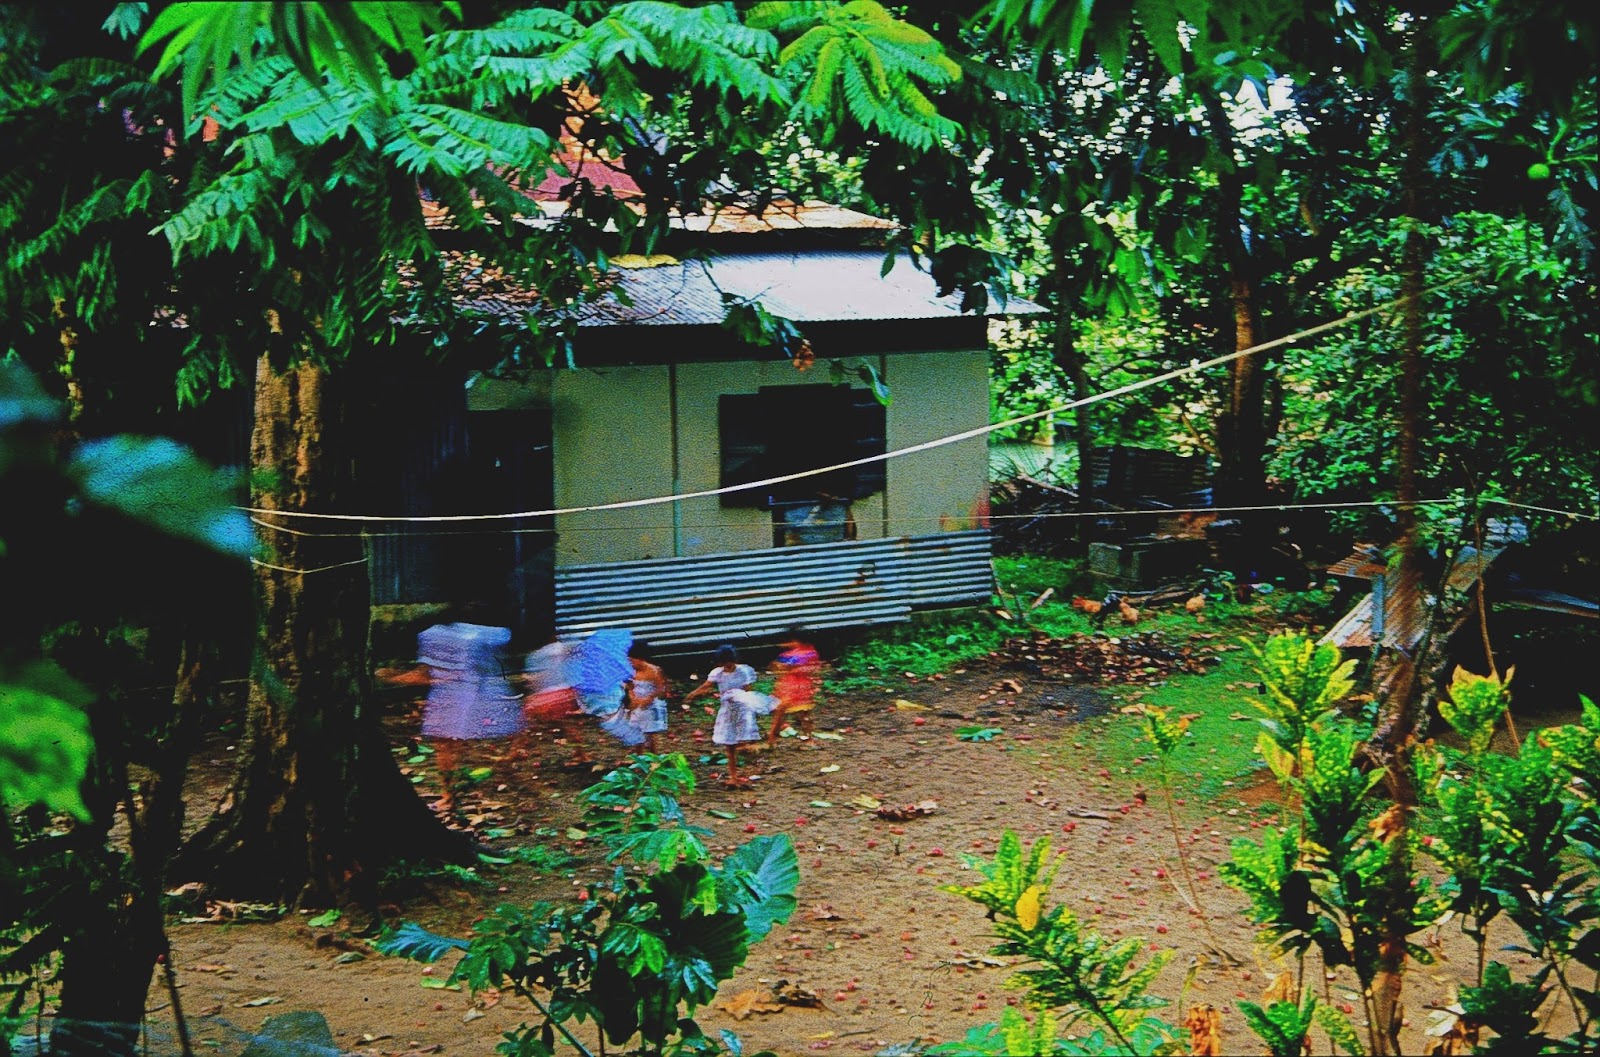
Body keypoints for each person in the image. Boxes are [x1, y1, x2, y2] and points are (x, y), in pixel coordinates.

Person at [416, 621, 522, 810]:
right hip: (470, 692)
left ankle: (448, 797)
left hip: (447, 697)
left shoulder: (430, 636)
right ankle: (452, 793)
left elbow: (424, 676)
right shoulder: (474, 633)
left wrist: (388, 676)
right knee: (452, 746)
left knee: (444, 747)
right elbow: (503, 637)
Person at [685, 644, 775, 788]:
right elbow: (706, 686)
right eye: (724, 662)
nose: (727, 665)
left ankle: (747, 765)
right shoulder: (717, 673)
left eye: (730, 662)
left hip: (742, 709)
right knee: (729, 744)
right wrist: (693, 694)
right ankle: (733, 776)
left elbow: (748, 691)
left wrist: (749, 705)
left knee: (744, 739)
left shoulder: (743, 671)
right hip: (727, 710)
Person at [767, 627, 822, 747]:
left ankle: (772, 738)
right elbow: (815, 668)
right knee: (803, 714)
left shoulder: (790, 655)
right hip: (803, 686)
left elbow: (777, 667)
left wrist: (781, 667)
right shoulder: (811, 652)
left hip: (790, 687)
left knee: (781, 713)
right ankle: (809, 737)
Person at [625, 642, 671, 753]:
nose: (631, 663)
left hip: (651, 705)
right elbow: (630, 686)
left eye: (633, 661)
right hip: (637, 704)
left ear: (641, 659)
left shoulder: (654, 671)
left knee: (650, 733)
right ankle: (639, 755)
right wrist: (633, 697)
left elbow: (660, 689)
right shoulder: (631, 671)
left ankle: (653, 755)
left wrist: (648, 699)